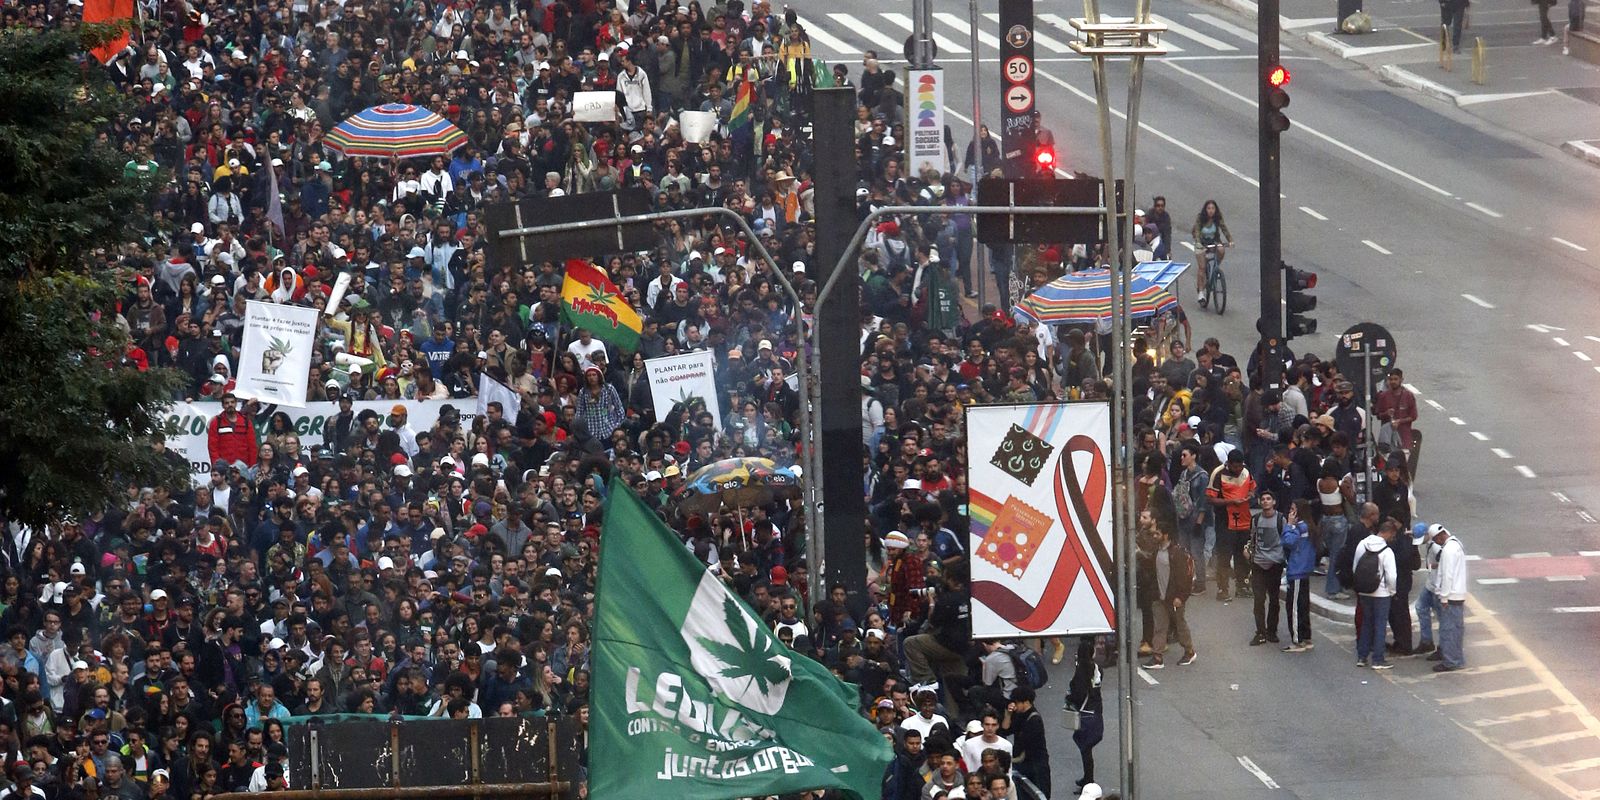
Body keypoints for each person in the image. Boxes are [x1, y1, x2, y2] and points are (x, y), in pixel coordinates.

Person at [1143, 526, 1196, 669]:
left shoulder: (1176, 553)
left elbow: (1185, 577)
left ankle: (1189, 651)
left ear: (1166, 535)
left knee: (1180, 625)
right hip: (1159, 596)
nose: (1154, 536)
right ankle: (1157, 657)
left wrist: (1181, 596)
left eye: (1157, 534)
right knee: (1160, 627)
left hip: (1174, 598)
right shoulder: (1156, 552)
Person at [1206, 449, 1255, 602]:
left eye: (1240, 467)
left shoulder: (1246, 472)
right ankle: (1222, 589)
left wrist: (1250, 495)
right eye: (1235, 467)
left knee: (1243, 555)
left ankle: (1242, 586)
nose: (1238, 470)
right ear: (1228, 464)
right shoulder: (1218, 474)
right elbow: (1210, 499)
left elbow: (1253, 488)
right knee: (1224, 556)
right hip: (1225, 522)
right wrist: (1231, 502)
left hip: (1244, 521)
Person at [1352, 520, 1399, 669]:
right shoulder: (1387, 551)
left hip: (1364, 591)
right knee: (1380, 625)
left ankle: (1362, 656)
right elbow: (1392, 577)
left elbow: (1355, 567)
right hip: (1381, 593)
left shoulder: (1362, 544)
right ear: (1390, 533)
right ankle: (1378, 659)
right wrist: (1392, 591)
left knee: (1366, 623)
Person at [1065, 637, 1104, 791]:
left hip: (1084, 713)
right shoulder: (1097, 669)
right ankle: (1088, 778)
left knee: (1085, 749)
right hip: (1096, 711)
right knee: (1087, 749)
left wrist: (1069, 696)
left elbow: (1078, 694)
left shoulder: (1081, 672)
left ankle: (1088, 780)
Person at [1247, 492, 1286, 646]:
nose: (1265, 501)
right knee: (1258, 600)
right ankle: (1260, 632)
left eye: (1268, 499)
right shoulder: (1256, 519)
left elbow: (1286, 538)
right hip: (1258, 563)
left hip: (1275, 564)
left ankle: (1272, 631)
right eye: (1262, 499)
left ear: (1274, 501)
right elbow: (1252, 539)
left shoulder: (1280, 519)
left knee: (1274, 600)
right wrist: (1249, 553)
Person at [1430, 525, 1469, 672]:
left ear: (1440, 536)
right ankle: (1457, 658)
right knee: (1457, 629)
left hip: (1450, 595)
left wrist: (1444, 597)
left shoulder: (1448, 550)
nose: (1437, 543)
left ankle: (1451, 661)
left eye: (1436, 540)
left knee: (1448, 630)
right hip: (1458, 594)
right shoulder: (1456, 545)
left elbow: (1447, 575)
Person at [1001, 686, 1049, 800]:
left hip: (1036, 765)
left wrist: (1010, 759)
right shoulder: (1019, 715)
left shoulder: (1034, 720)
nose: (1015, 705)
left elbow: (1026, 746)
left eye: (1017, 702)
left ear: (1026, 702)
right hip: (1024, 763)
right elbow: (1006, 730)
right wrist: (1008, 714)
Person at [1280, 502, 1316, 652]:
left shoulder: (1299, 528)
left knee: (1294, 607)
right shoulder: (1310, 527)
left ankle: (1297, 640)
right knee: (1303, 606)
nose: (1290, 512)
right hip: (1304, 571)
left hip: (1296, 571)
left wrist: (1289, 525)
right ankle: (1306, 637)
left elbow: (1288, 542)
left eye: (1293, 510)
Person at [1190, 200, 1232, 304]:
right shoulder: (1200, 218)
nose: (1211, 211)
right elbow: (1197, 231)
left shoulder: (1217, 217)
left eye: (1213, 208)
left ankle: (1215, 269)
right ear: (1205, 209)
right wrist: (1199, 243)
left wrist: (1230, 240)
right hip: (1202, 243)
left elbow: (1224, 228)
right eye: (1209, 208)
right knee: (1202, 267)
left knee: (1221, 250)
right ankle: (1200, 292)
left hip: (1214, 241)